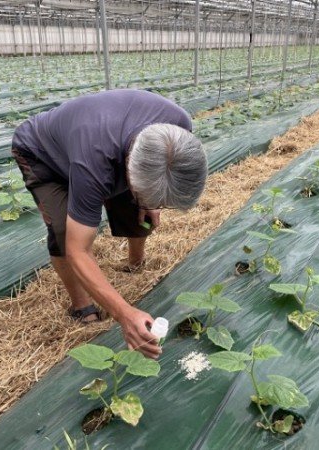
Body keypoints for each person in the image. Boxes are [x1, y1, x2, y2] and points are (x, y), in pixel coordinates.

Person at [11, 89, 208, 359]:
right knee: (62, 229)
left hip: (102, 142)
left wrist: (149, 201)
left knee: (139, 210)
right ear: (128, 166)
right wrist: (125, 314)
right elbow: (77, 250)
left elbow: (162, 172)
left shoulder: (179, 129)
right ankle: (82, 305)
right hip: (42, 153)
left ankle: (135, 265)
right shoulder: (94, 162)